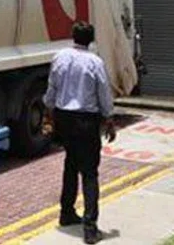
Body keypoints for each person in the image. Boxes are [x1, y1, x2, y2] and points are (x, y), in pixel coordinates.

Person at [43, 21, 117, 244]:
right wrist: (109, 118)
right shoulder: (95, 62)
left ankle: (66, 212)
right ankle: (90, 226)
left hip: (64, 117)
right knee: (90, 172)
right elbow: (103, 93)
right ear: (92, 39)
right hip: (86, 120)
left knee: (70, 164)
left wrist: (49, 112)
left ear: (73, 36)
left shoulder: (60, 57)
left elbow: (52, 88)